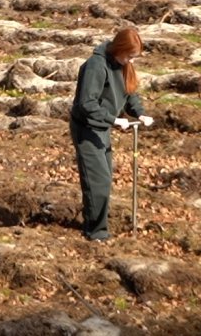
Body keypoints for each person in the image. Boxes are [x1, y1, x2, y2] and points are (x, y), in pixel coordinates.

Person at [69, 27, 154, 242]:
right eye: (130, 56)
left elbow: (129, 93)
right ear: (119, 49)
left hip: (102, 127)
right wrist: (113, 120)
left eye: (134, 58)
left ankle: (95, 223)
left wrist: (140, 114)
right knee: (98, 180)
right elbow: (86, 103)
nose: (131, 62)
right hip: (86, 128)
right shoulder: (96, 66)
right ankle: (96, 232)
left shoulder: (123, 65)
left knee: (104, 178)